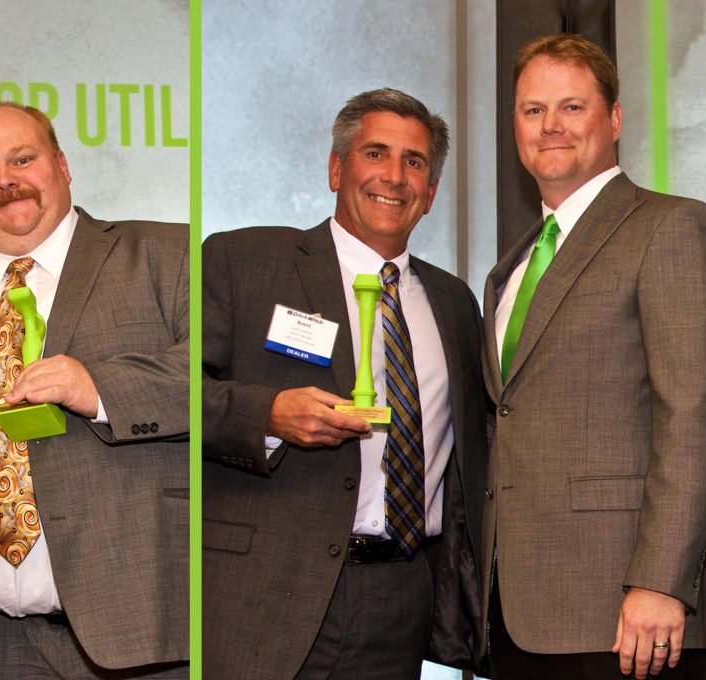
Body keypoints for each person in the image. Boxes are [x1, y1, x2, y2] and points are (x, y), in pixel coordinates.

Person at [0, 102, 188, 679]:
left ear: (63, 165)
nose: (5, 180)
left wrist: (100, 388)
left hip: (145, 635)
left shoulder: (166, 255)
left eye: (22, 159)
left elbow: (217, 382)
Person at [202, 88, 487, 680]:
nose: (395, 176)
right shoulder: (244, 261)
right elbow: (169, 392)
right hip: (264, 592)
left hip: (401, 598)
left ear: (431, 192)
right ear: (336, 169)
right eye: (375, 153)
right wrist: (267, 414)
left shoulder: (455, 302)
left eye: (414, 162)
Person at [482, 33, 706, 680]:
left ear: (614, 118)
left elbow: (693, 414)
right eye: (532, 110)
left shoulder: (669, 227)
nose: (550, 126)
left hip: (628, 615)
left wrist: (661, 581)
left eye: (572, 107)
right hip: (517, 611)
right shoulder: (511, 268)